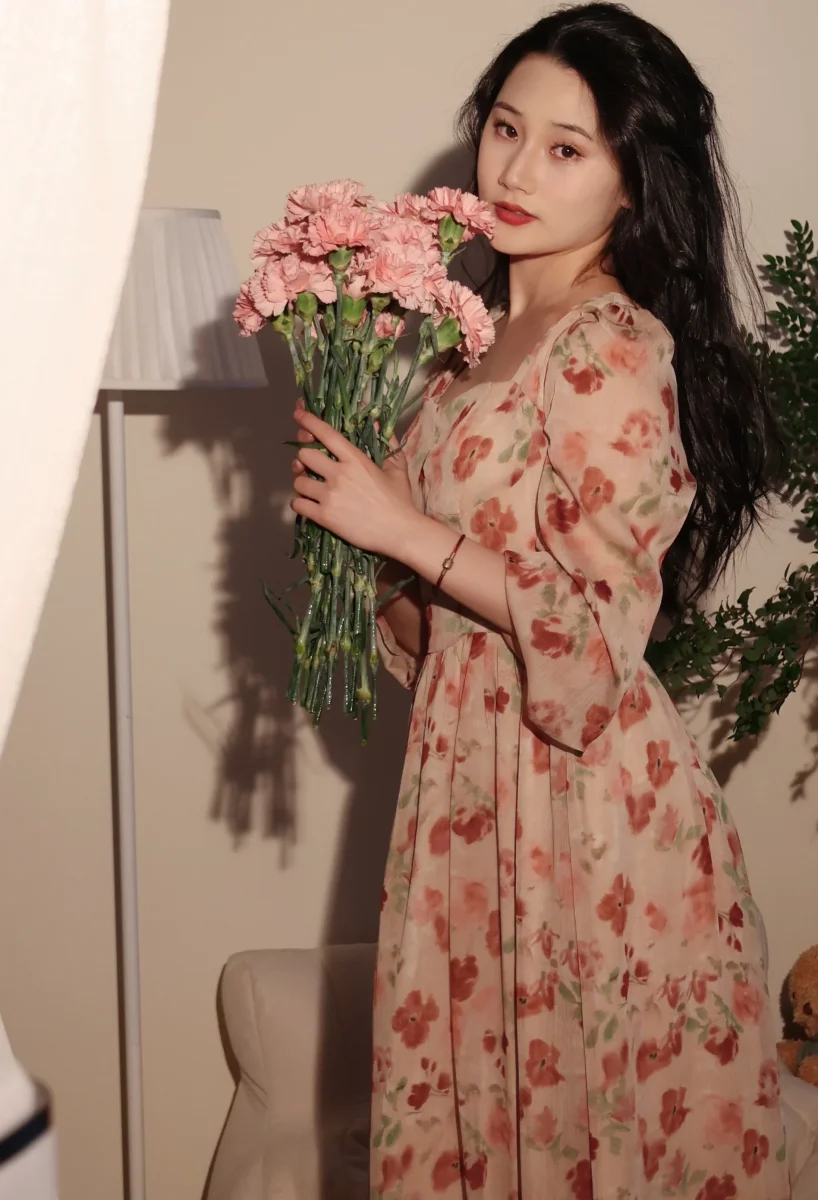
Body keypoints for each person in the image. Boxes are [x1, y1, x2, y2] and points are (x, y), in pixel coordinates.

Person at [289, 4, 791, 1196]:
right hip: (467, 789)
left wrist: (402, 528)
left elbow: (600, 625)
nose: (516, 170)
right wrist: (358, 550)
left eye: (568, 148)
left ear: (633, 183)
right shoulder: (461, 354)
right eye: (507, 129)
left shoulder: (611, 344)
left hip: (590, 810)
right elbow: (433, 633)